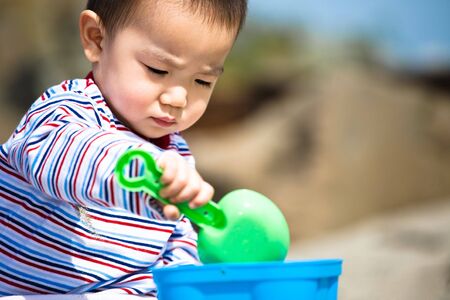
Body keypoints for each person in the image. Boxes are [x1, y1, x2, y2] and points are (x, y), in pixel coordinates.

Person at [0, 0, 247, 297]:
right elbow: (68, 158)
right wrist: (139, 173)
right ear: (97, 39)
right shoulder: (64, 112)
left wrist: (186, 284)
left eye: (202, 81)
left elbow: (177, 247)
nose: (179, 98)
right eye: (158, 70)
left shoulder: (177, 157)